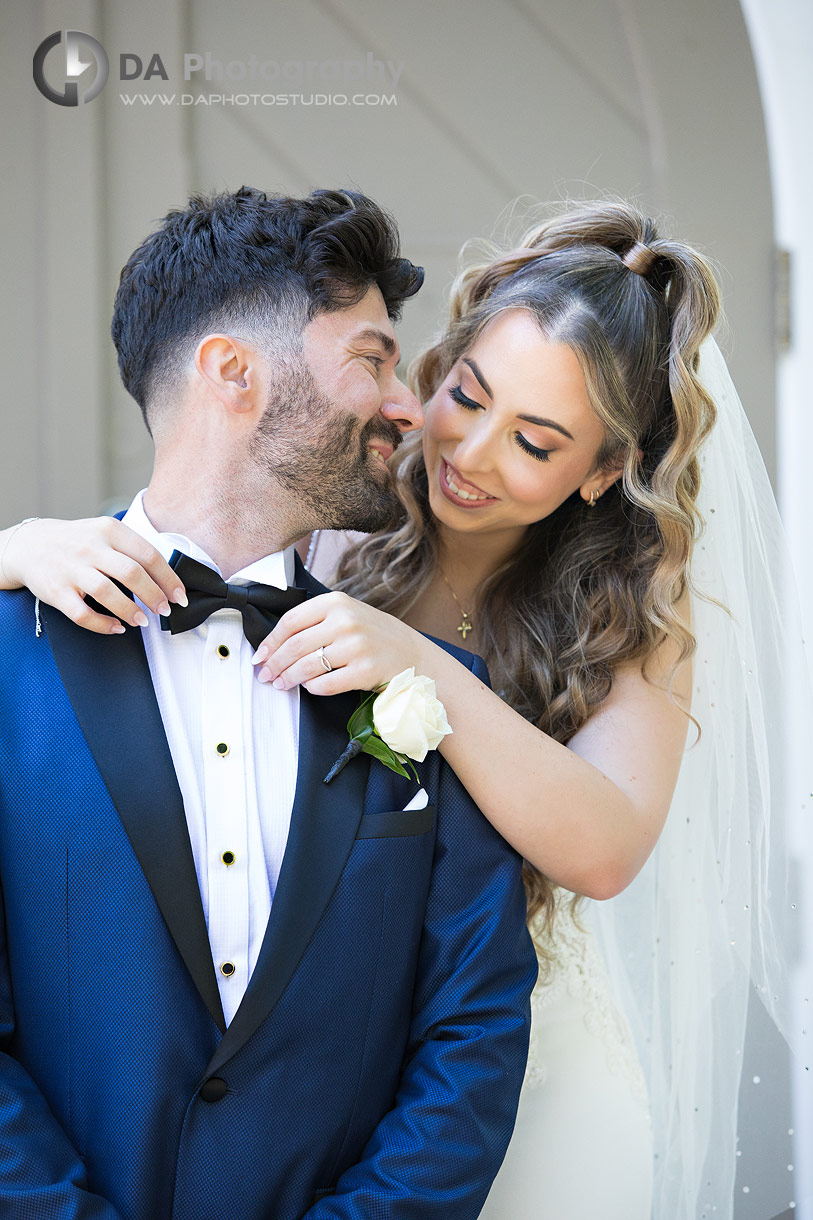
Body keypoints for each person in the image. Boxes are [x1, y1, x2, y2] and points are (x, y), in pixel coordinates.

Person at [3, 200, 810, 1220]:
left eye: (536, 442)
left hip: (515, 1055)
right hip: (332, 1074)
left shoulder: (638, 605)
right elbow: (207, 509)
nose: (469, 454)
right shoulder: (345, 509)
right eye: (466, 395)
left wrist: (430, 673)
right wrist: (16, 546)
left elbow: (606, 849)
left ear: (605, 470)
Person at [0, 186, 539, 1220]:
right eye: (373, 358)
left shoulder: (427, 689)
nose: (409, 408)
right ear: (233, 372)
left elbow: (472, 1027)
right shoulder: (8, 651)